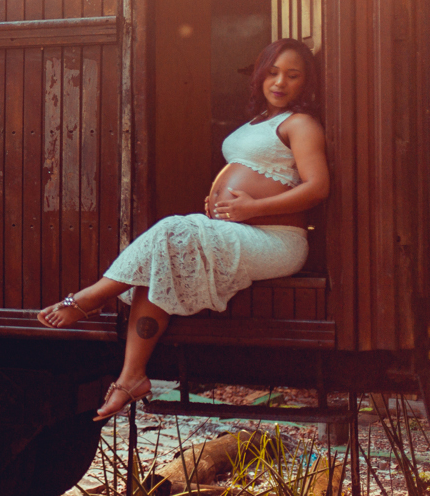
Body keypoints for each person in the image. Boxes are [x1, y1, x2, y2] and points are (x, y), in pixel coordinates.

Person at [37, 38, 329, 420]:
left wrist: (253, 206)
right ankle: (131, 377)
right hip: (241, 232)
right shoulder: (260, 121)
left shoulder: (301, 123)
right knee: (160, 267)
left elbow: (317, 187)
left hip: (276, 240)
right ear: (260, 74)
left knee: (173, 230)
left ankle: (90, 298)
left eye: (293, 76)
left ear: (305, 83)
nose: (280, 82)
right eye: (273, 73)